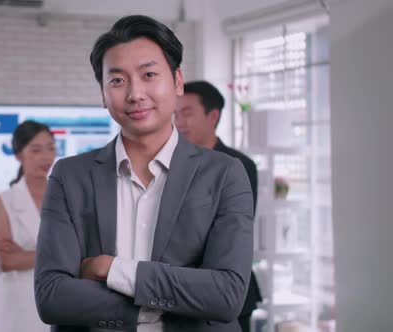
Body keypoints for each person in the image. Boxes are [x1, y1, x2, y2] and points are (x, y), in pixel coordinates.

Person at [34, 15, 254, 332]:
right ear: (103, 94)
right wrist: (168, 303)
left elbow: (226, 296)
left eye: (149, 74)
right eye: (118, 80)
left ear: (177, 81)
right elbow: (52, 296)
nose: (135, 93)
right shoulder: (70, 177)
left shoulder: (225, 173)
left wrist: (111, 270)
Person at [175, 80, 263, 332]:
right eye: (176, 114)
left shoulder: (239, 165)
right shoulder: (171, 163)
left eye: (187, 113)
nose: (179, 122)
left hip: (227, 293)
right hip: (178, 294)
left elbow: (233, 231)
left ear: (212, 116)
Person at [0, 120, 55, 332]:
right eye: (36, 150)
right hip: (17, 307)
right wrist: (59, 256)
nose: (46, 157)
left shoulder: (64, 196)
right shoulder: (5, 200)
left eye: (51, 148)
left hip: (56, 301)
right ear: (18, 155)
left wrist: (29, 256)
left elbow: (83, 252)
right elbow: (7, 260)